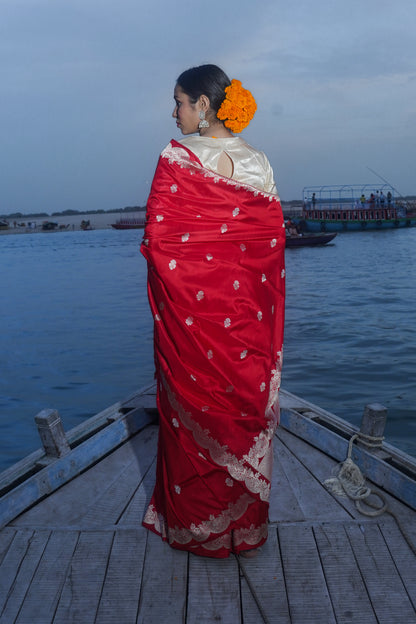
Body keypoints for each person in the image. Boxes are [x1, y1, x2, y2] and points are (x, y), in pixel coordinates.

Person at [141, 64, 285, 559]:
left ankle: (193, 528)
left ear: (204, 105)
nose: (174, 111)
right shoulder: (258, 162)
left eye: (179, 101)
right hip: (245, 323)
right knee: (241, 415)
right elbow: (270, 250)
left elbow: (159, 244)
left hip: (193, 321)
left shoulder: (176, 159)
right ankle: (244, 529)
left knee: (194, 416)